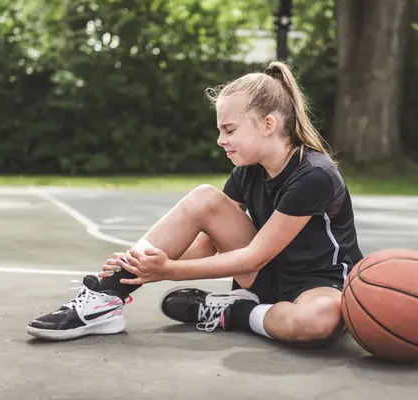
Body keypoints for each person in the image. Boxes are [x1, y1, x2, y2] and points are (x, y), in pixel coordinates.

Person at [26, 60, 364, 343]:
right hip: (264, 277)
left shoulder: (313, 174)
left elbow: (254, 254)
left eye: (229, 130)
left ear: (268, 124)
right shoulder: (248, 169)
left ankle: (237, 311)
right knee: (204, 197)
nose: (221, 140)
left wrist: (169, 271)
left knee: (318, 322)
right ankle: (105, 298)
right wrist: (142, 267)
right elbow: (206, 246)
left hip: (322, 283)